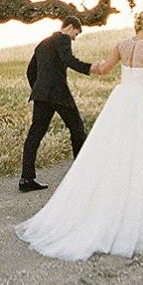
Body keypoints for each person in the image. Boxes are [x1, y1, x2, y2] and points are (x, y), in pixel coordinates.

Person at [15, 10, 143, 261]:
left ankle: (98, 191)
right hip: (140, 101)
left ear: (136, 25)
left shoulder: (121, 44)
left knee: (113, 149)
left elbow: (105, 69)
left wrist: (93, 67)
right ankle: (138, 208)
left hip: (120, 100)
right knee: (142, 151)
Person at [19, 16, 101, 193]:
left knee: (35, 134)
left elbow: (30, 71)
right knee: (77, 129)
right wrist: (89, 67)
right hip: (59, 94)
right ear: (70, 27)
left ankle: (26, 178)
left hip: (41, 95)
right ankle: (81, 175)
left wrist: (39, 88)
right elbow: (68, 59)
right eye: (75, 34)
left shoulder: (43, 43)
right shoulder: (62, 38)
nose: (74, 38)